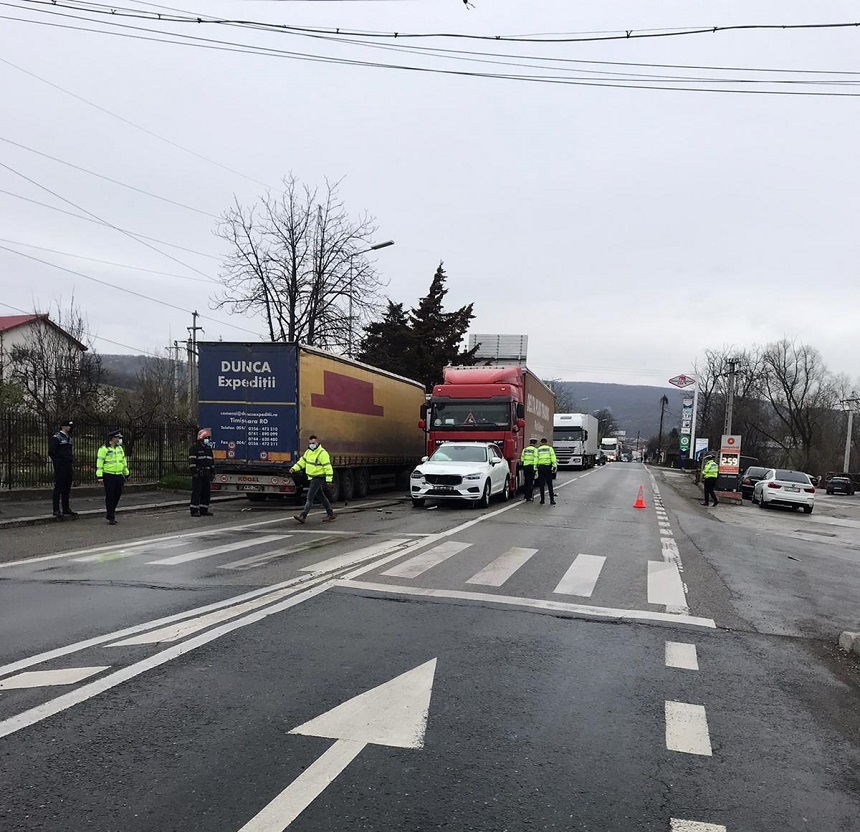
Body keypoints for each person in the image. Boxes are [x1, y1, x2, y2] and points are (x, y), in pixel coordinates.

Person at [290, 434, 336, 523]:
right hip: (312, 477)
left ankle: (303, 516)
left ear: (317, 442)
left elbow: (328, 467)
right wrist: (294, 468)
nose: (311, 445)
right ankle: (330, 514)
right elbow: (302, 462)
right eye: (310, 443)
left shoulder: (322, 453)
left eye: (313, 443)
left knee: (310, 497)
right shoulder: (308, 452)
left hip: (318, 477)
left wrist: (329, 480)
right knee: (321, 496)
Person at [97, 430, 129, 525]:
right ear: (113, 438)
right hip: (108, 475)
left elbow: (123, 462)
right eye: (117, 438)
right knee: (110, 496)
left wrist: (126, 473)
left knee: (117, 495)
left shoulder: (119, 448)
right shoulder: (104, 449)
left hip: (118, 475)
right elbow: (99, 463)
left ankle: (111, 512)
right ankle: (111, 515)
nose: (119, 440)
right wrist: (100, 476)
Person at [48, 418, 76, 519]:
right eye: (69, 426)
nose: (70, 428)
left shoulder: (69, 438)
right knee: (58, 487)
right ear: (64, 427)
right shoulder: (57, 437)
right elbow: (51, 451)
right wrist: (57, 461)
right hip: (60, 465)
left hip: (68, 464)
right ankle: (56, 509)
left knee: (67, 487)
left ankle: (66, 508)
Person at [189, 428, 216, 517]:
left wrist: (213, 473)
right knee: (197, 492)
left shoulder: (208, 449)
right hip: (198, 474)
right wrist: (194, 473)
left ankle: (204, 509)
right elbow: (192, 462)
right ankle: (194, 510)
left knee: (206, 493)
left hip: (206, 474)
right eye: (207, 438)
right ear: (202, 438)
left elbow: (211, 462)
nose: (208, 440)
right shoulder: (194, 448)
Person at [536, 437, 557, 505]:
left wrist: (535, 467)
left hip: (541, 467)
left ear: (541, 443)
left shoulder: (538, 450)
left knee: (541, 484)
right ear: (546, 442)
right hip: (548, 467)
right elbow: (553, 457)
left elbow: (536, 459)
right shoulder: (550, 449)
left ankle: (542, 500)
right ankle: (552, 500)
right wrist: (554, 466)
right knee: (549, 484)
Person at [520, 438, 538, 502]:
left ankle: (525, 494)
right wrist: (535, 468)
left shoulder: (525, 449)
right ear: (535, 443)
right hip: (531, 467)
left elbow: (522, 459)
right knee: (530, 482)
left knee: (526, 481)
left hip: (525, 466)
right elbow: (536, 459)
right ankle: (529, 496)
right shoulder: (535, 450)